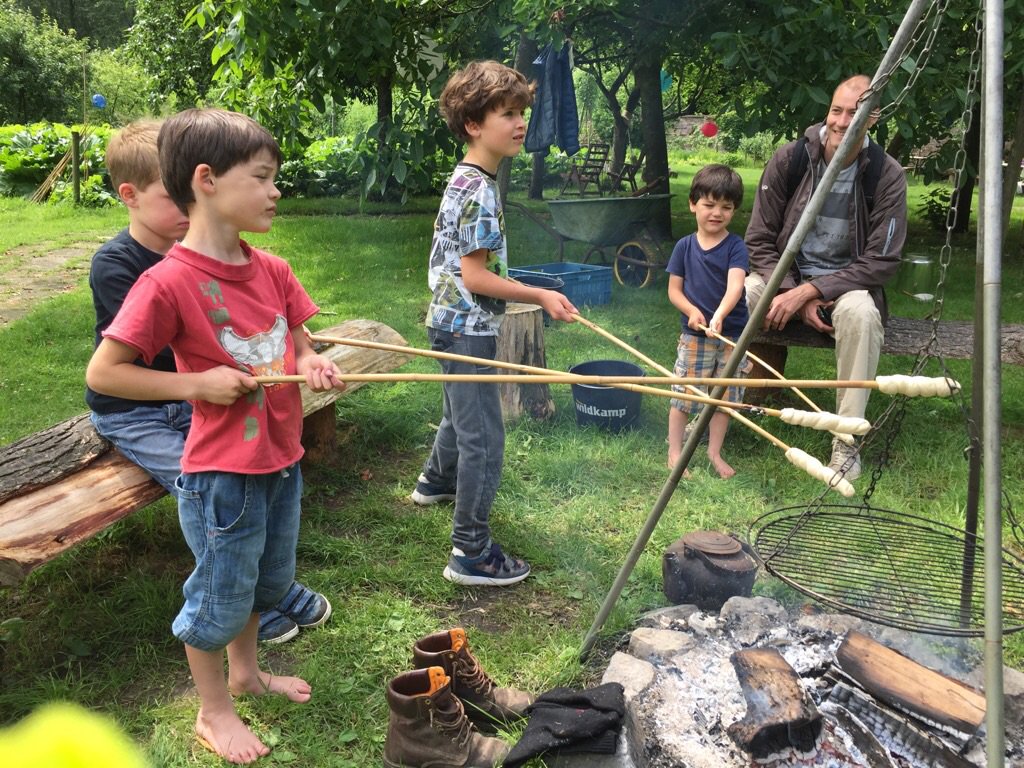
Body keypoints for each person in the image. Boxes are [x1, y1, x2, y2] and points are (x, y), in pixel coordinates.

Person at [86, 108, 346, 765]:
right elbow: (106, 372)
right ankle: (213, 711)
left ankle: (247, 674)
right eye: (261, 177)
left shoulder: (273, 269)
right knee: (219, 595)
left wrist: (310, 359)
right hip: (221, 475)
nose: (275, 190)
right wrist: (196, 385)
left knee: (264, 580)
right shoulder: (167, 281)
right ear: (206, 180)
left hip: (280, 459)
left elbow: (294, 332)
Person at [411, 60, 578, 587]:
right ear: (473, 124)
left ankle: (435, 483)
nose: (520, 122)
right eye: (507, 113)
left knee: (458, 413)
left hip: (445, 318)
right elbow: (477, 277)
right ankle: (471, 551)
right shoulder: (480, 189)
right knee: (484, 435)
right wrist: (540, 294)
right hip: (465, 324)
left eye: (521, 112)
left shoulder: (466, 176)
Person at [744, 74, 907, 481]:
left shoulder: (885, 175)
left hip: (846, 286)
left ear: (874, 118)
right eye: (837, 110)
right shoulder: (791, 159)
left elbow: (882, 261)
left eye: (856, 113)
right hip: (786, 279)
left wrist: (812, 291)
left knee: (862, 316)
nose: (842, 121)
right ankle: (716, 409)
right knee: (745, 292)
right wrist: (792, 292)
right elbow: (759, 241)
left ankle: (845, 441)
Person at [665, 164, 751, 479]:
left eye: (726, 207)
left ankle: (714, 452)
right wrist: (691, 310)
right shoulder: (684, 247)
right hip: (695, 335)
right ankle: (675, 452)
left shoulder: (736, 247)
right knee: (684, 394)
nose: (717, 213)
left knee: (724, 398)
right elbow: (674, 291)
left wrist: (720, 315)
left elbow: (736, 287)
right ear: (693, 204)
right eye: (709, 205)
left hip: (731, 334)